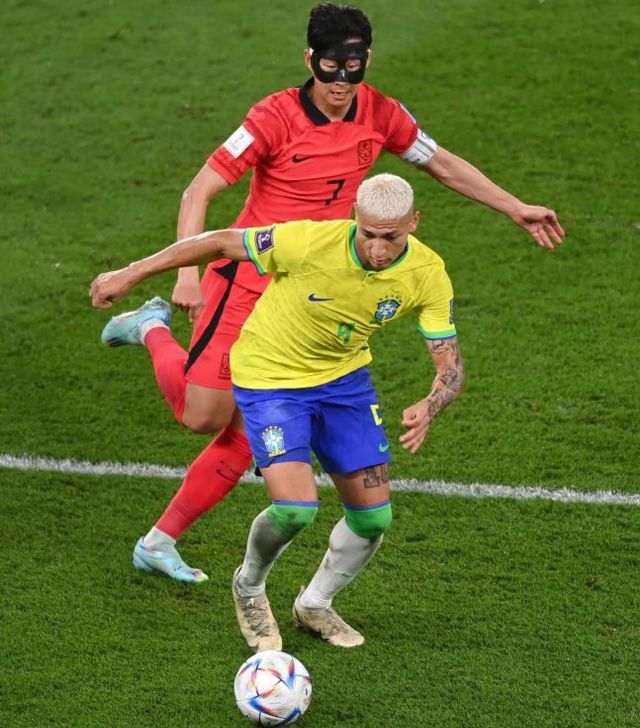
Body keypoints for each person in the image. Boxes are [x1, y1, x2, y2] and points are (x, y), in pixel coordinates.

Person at [100, 3, 563, 583]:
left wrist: (514, 207)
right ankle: (151, 327)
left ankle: (159, 540)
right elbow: (199, 193)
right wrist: (186, 276)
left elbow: (443, 164)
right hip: (250, 275)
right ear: (309, 60)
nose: (341, 81)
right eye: (329, 67)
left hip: (309, 294)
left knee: (248, 428)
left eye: (353, 67)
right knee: (203, 416)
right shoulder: (271, 117)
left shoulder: (383, 114)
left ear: (366, 61)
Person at [91, 174, 465, 650]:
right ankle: (249, 588)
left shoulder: (427, 272)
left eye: (390, 236)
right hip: (271, 379)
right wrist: (130, 273)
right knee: (294, 509)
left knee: (373, 519)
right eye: (368, 233)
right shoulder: (309, 241)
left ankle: (315, 604)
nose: (377, 248)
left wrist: (431, 404)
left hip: (344, 383)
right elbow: (221, 242)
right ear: (355, 216)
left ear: (413, 222)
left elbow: (451, 366)